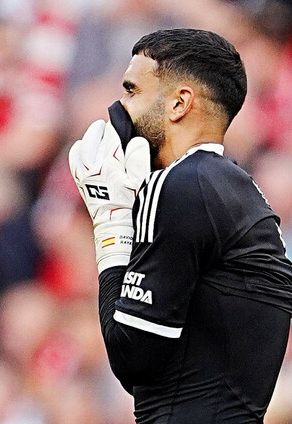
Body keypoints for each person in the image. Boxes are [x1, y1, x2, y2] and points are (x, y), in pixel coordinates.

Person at [69, 28, 292, 423]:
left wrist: (111, 223)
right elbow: (170, 367)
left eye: (132, 91)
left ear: (179, 103)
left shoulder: (179, 184)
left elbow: (132, 357)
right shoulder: (241, 192)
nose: (119, 108)